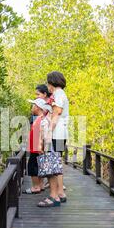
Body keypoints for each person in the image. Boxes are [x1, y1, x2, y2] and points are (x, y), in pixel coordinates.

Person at [46, 71, 69, 203]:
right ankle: (60, 192)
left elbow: (57, 113)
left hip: (57, 133)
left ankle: (56, 194)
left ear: (52, 82)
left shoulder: (59, 94)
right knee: (57, 161)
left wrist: (49, 131)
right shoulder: (58, 94)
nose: (47, 85)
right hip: (60, 133)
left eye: (48, 82)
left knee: (53, 161)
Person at [24, 98, 53, 195]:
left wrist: (42, 147)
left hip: (37, 149)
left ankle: (36, 187)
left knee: (32, 167)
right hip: (35, 148)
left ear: (37, 107)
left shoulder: (41, 120)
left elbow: (44, 135)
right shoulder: (39, 119)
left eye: (33, 105)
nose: (32, 107)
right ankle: (40, 185)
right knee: (38, 166)